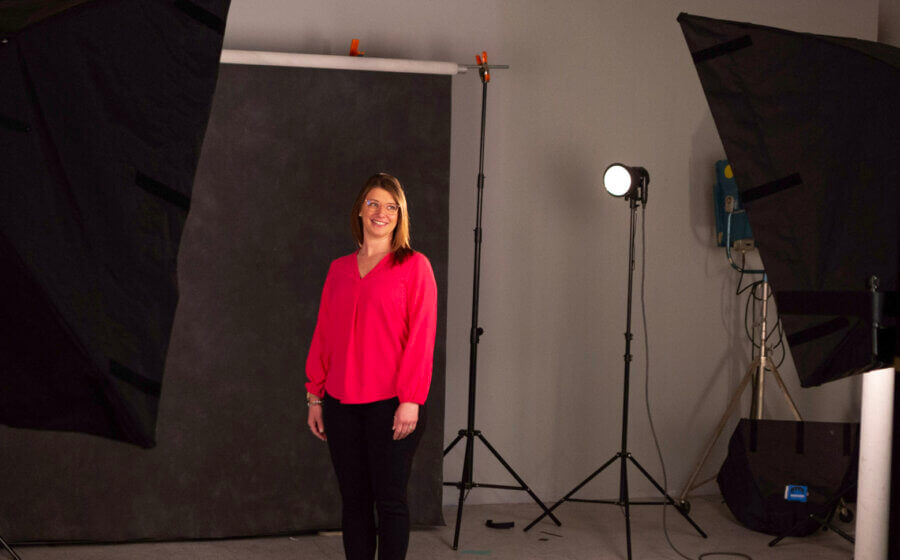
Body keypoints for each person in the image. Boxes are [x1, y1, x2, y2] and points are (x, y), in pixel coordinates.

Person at [305, 173, 438, 560]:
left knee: (390, 501)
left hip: (392, 404)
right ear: (360, 210)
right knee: (354, 502)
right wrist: (315, 395)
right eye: (374, 203)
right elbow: (324, 336)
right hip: (341, 403)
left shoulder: (414, 266)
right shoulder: (339, 269)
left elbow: (422, 338)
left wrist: (411, 399)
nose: (381, 212)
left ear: (400, 216)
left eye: (391, 206)